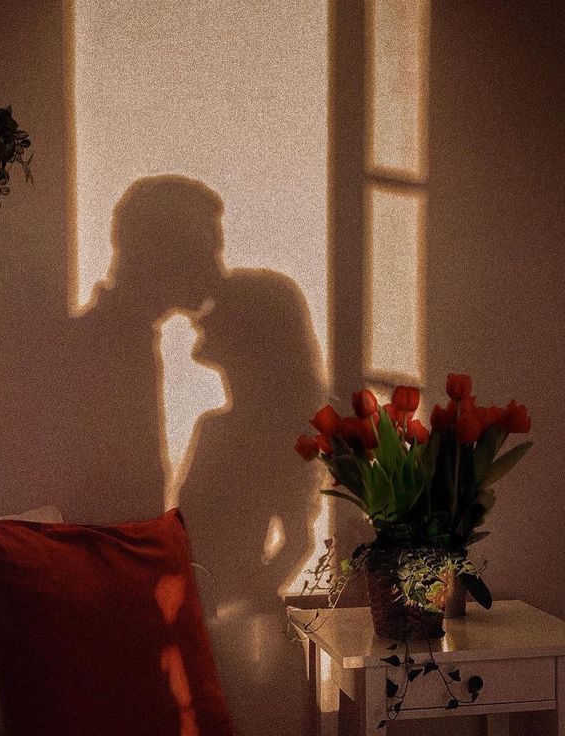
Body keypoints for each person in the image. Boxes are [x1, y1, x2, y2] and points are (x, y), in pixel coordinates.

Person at [177, 267, 325, 736]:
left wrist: (234, 608)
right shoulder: (217, 428)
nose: (202, 317)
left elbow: (298, 540)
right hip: (209, 623)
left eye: (218, 310)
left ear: (250, 330)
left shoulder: (267, 432)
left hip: (242, 639)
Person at [57, 175, 227, 523]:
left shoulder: (121, 342)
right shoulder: (96, 353)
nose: (218, 271)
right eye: (210, 252)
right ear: (166, 254)